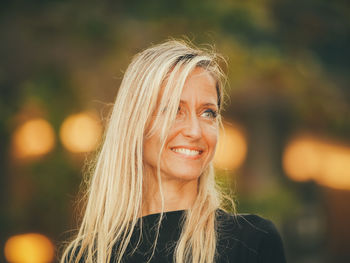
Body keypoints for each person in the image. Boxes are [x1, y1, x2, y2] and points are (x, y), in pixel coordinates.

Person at [61, 39, 286, 263]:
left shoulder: (253, 242)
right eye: (173, 110)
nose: (195, 131)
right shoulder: (88, 255)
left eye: (208, 113)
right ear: (134, 123)